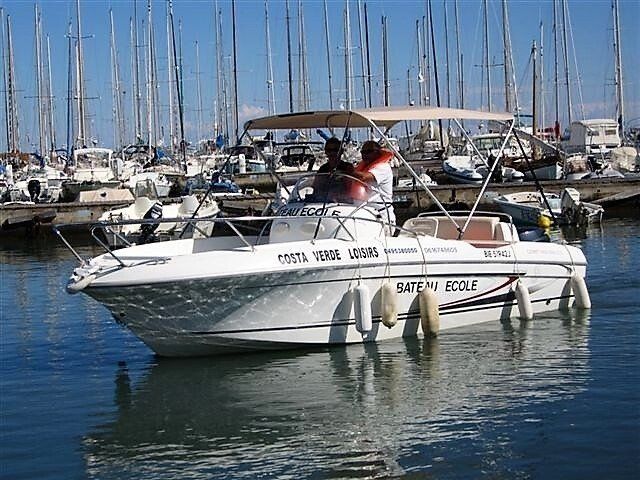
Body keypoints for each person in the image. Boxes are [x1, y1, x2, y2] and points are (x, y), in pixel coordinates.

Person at [350, 140, 396, 226]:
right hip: (362, 214)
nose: (365, 155)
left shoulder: (383, 167)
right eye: (363, 152)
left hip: (379, 216)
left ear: (378, 152)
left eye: (369, 151)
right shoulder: (362, 168)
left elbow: (364, 177)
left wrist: (348, 171)